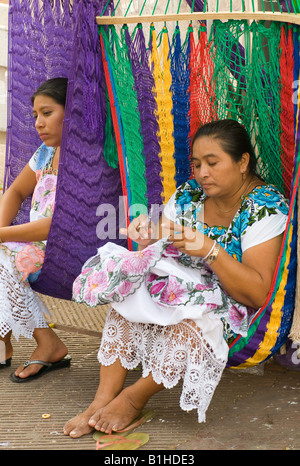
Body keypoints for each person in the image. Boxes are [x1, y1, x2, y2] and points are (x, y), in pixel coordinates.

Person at [64, 119, 288, 438]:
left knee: (193, 324)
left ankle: (132, 398)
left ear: (242, 162)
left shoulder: (264, 209)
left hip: (229, 303)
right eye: (196, 164)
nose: (202, 173)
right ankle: (101, 398)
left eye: (212, 163)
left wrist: (210, 250)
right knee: (128, 294)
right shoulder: (189, 196)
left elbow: (256, 293)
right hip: (177, 287)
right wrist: (147, 236)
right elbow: (161, 248)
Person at [0, 77, 71, 382]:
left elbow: (58, 225)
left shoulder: (81, 160)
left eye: (47, 112)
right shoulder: (44, 154)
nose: (39, 123)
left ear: (71, 114)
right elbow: (15, 192)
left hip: (65, 248)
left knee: (4, 258)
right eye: (35, 116)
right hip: (34, 244)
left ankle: (48, 343)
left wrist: (1, 236)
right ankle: (3, 341)